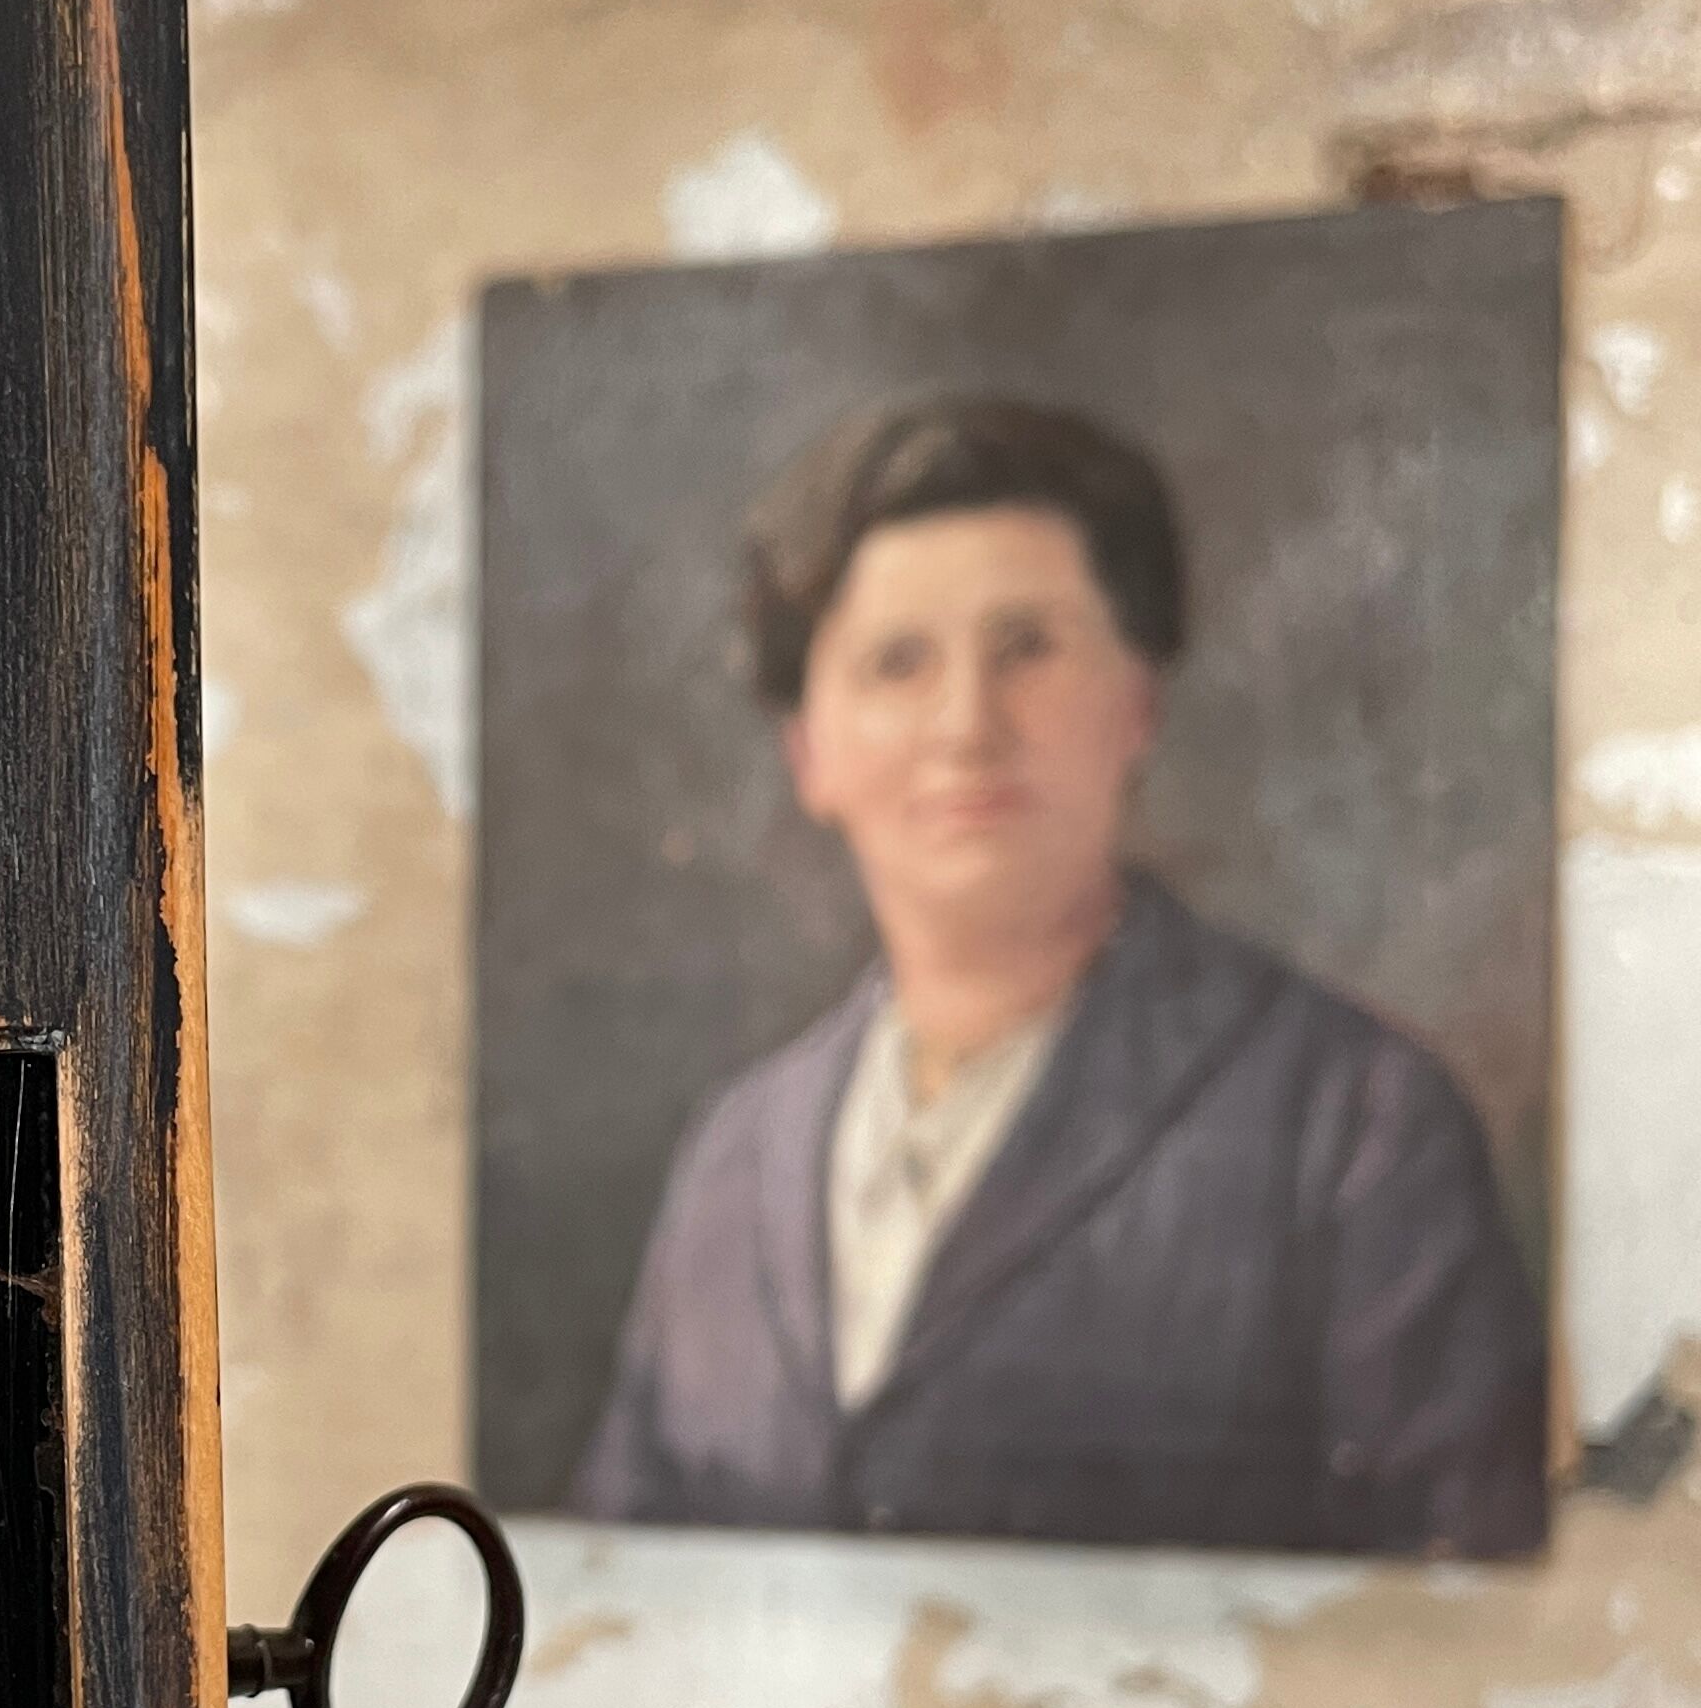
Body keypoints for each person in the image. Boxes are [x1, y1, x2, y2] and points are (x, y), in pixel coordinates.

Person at [571, 394, 1548, 1556]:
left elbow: (1468, 1642)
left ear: (1139, 700)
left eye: (1027, 647)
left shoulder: (1356, 1128)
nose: (966, 726)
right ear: (809, 753)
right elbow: (608, 1597)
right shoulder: (734, 1158)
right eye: (896, 663)